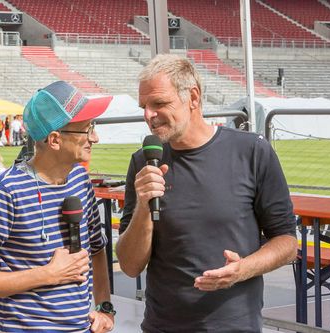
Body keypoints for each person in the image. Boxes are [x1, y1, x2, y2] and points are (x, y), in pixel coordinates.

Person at [116, 54, 297, 332]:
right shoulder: (143, 162)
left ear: (193, 97)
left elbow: (286, 243)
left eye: (159, 104)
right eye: (144, 106)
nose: (148, 115)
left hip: (234, 325)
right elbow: (129, 266)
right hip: (162, 325)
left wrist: (242, 270)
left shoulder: (252, 152)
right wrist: (143, 206)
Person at [0, 80, 116, 333]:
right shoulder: (5, 191)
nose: (95, 137)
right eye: (86, 129)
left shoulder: (80, 180)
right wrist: (49, 274)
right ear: (55, 140)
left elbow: (96, 248)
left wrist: (104, 307)